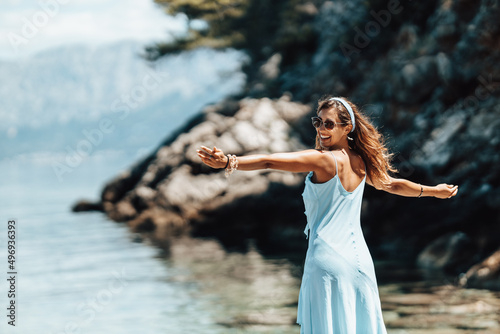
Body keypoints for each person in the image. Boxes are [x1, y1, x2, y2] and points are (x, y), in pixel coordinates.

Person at [197, 96, 458, 333]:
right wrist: (434, 191)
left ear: (347, 128)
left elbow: (270, 161)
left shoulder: (324, 160)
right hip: (360, 264)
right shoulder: (361, 162)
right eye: (318, 122)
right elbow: (392, 184)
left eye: (329, 124)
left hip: (327, 263)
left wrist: (230, 162)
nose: (321, 129)